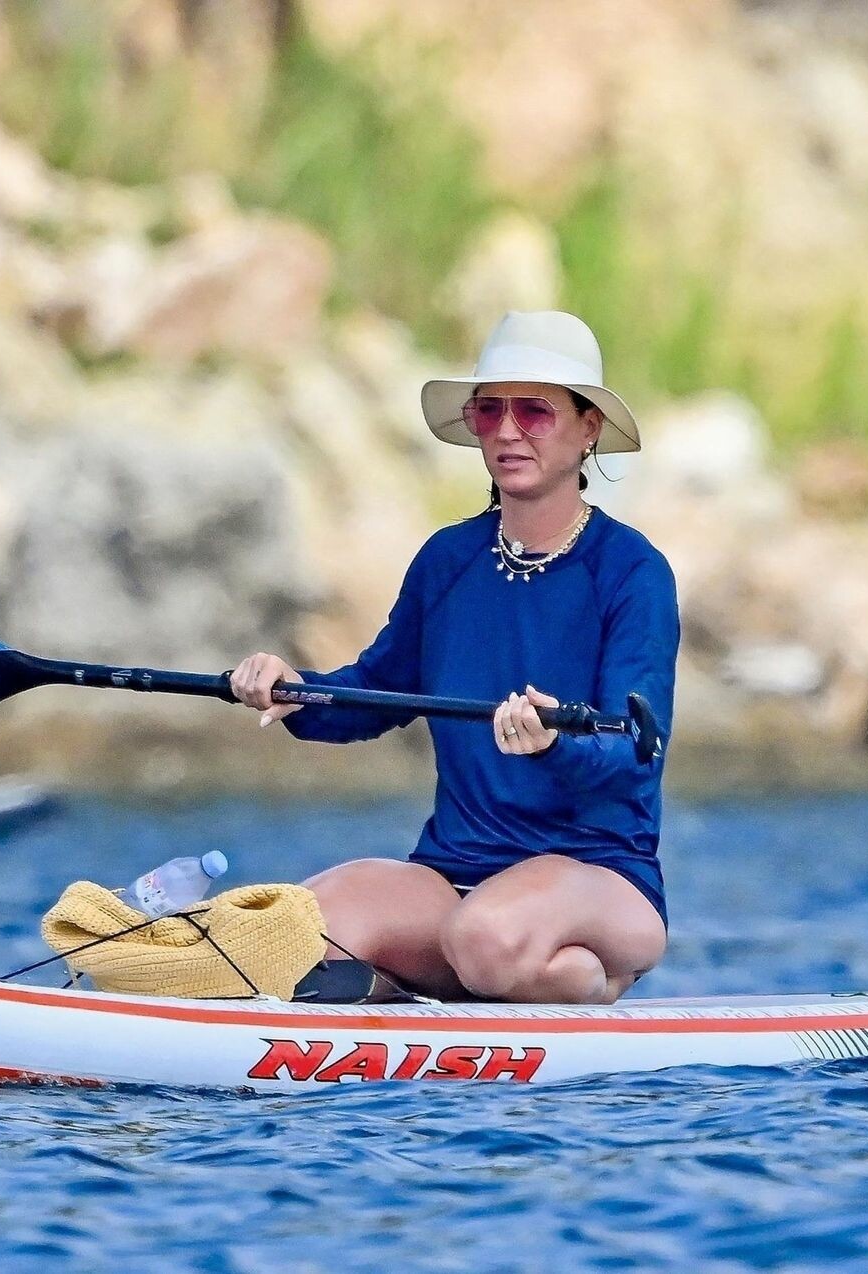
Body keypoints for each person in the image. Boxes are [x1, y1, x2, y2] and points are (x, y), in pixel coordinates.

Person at [230, 311, 679, 1005]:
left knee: (483, 937)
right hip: (453, 876)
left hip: (600, 877)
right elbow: (373, 692)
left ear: (588, 428)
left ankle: (571, 976)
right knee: (289, 930)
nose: (507, 432)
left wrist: (554, 745)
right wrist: (294, 691)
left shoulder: (632, 573)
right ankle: (493, 983)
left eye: (534, 412)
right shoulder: (448, 560)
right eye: (489, 411)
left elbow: (633, 757)